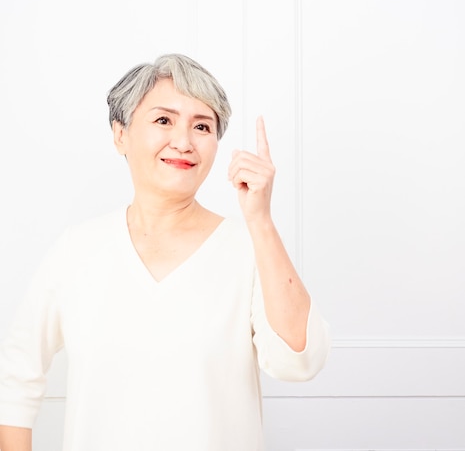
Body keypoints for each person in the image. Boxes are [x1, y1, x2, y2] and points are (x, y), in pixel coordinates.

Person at [0, 53, 330, 451]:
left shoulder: (249, 248)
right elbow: (14, 379)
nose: (184, 142)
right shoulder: (77, 250)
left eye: (202, 126)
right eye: (163, 120)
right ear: (120, 134)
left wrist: (261, 222)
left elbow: (300, 361)